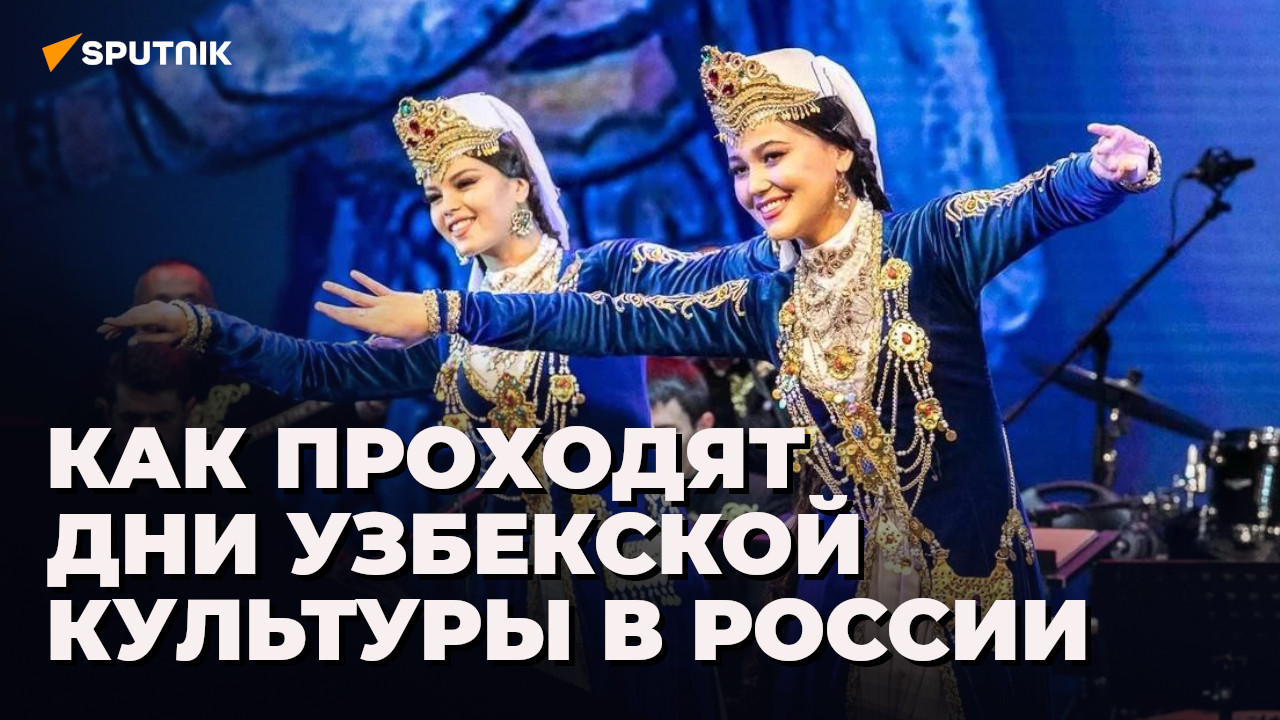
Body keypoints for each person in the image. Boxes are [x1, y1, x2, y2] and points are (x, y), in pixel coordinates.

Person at [274, 48, 1161, 719]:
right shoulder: (767, 298)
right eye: (740, 167)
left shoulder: (928, 244)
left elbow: (1033, 203)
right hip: (845, 597)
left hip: (970, 588)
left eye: (773, 157)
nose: (755, 184)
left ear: (841, 152)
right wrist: (450, 313)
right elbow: (605, 323)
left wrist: (1107, 174)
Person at [100, 92, 792, 716]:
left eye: (464, 182)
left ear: (520, 184)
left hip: (616, 581)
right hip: (498, 589)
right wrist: (204, 327)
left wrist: (797, 220)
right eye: (433, 193)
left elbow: (718, 271)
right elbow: (319, 369)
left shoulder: (601, 275)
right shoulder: (443, 334)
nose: (447, 206)